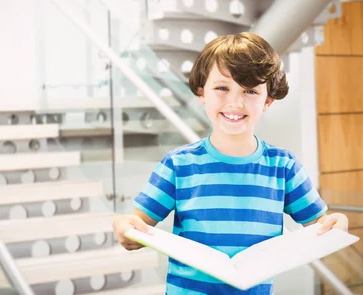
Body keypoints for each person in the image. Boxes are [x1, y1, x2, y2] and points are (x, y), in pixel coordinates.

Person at [112, 32, 349, 295]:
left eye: (250, 90)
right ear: (202, 92)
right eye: (222, 88)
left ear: (268, 100)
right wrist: (124, 227)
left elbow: (320, 227)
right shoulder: (178, 165)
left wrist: (336, 224)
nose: (235, 102)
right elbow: (136, 222)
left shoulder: (284, 167)